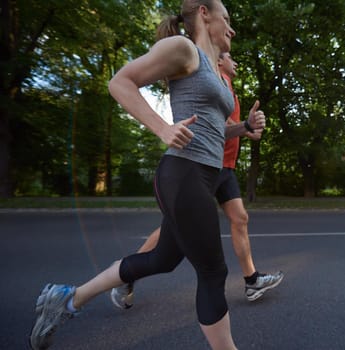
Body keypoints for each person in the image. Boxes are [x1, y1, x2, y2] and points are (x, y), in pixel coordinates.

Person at [29, 1, 264, 349]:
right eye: (226, 18)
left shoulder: (216, 71)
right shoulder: (184, 49)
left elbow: (214, 130)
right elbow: (120, 82)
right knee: (214, 273)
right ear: (203, 13)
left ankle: (67, 298)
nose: (232, 28)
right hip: (185, 175)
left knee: (163, 259)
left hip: (204, 177)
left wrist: (243, 127)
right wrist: (163, 129)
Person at [110, 52, 283, 309]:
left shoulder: (228, 88)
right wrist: (244, 127)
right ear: (219, 62)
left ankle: (251, 279)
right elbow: (219, 127)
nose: (235, 61)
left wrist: (247, 127)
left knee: (239, 218)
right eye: (229, 57)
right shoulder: (213, 81)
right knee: (172, 229)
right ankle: (127, 274)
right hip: (205, 166)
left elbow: (230, 128)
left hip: (225, 168)